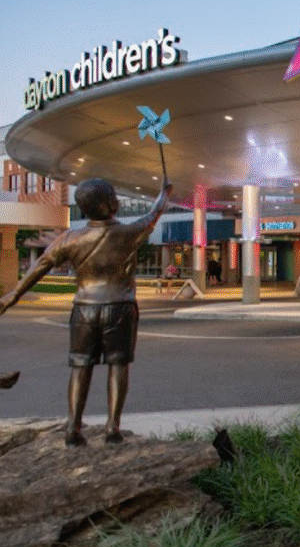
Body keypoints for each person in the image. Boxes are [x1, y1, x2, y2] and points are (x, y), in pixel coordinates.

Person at [0, 177, 172, 446]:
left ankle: (73, 426)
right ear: (110, 204)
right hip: (119, 308)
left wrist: (14, 294)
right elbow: (154, 214)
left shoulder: (70, 238)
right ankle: (112, 428)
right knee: (118, 365)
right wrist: (164, 193)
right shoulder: (128, 234)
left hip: (84, 311)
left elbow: (41, 265)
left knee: (80, 367)